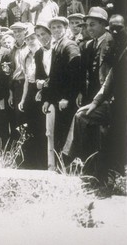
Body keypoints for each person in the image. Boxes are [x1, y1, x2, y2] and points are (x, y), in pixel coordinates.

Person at [64, 14, 127, 182]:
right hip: (106, 101)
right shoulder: (101, 45)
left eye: (119, 28)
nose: (114, 31)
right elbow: (108, 80)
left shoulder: (122, 46)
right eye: (112, 28)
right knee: (81, 116)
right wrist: (95, 102)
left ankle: (108, 174)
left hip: (125, 106)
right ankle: (76, 162)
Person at [41, 17, 81, 153]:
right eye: (53, 28)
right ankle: (59, 168)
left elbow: (75, 73)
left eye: (59, 27)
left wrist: (67, 97)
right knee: (58, 134)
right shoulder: (57, 45)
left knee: (66, 135)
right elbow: (53, 76)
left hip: (65, 101)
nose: (56, 30)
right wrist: (47, 99)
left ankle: (66, 169)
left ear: (66, 28)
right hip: (57, 99)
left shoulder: (69, 45)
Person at [17, 27, 46, 169]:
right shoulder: (24, 55)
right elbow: (27, 80)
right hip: (30, 91)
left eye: (32, 38)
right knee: (30, 126)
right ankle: (30, 160)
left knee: (42, 126)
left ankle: (43, 161)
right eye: (27, 39)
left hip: (42, 89)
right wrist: (23, 99)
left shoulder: (45, 52)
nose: (30, 41)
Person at [78, 7, 115, 106]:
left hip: (105, 97)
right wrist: (81, 92)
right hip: (89, 95)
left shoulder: (112, 43)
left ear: (103, 24)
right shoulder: (89, 45)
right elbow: (84, 72)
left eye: (92, 25)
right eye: (87, 25)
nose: (89, 28)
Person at [34, 22, 55, 170]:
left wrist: (45, 84)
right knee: (48, 131)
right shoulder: (38, 53)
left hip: (57, 95)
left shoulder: (58, 49)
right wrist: (40, 84)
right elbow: (39, 77)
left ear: (50, 33)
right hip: (46, 96)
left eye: (44, 34)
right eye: (38, 35)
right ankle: (49, 164)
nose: (42, 38)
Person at [7, 22, 29, 142]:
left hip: (27, 85)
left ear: (25, 32)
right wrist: (10, 92)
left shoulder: (29, 46)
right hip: (16, 86)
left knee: (25, 115)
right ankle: (18, 145)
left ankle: (26, 145)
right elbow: (11, 72)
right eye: (15, 32)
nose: (17, 34)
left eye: (19, 31)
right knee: (16, 116)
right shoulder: (12, 49)